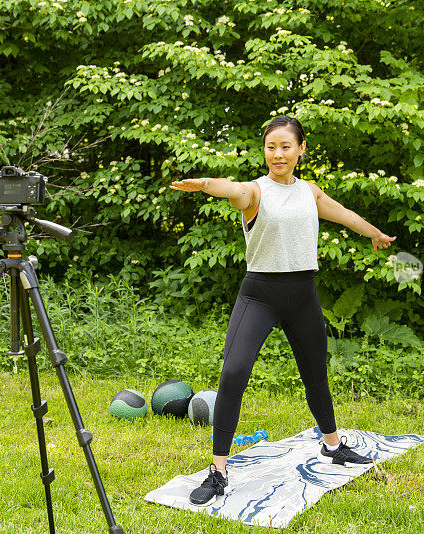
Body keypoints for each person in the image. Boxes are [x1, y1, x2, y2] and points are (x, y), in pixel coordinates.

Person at [170, 115, 397, 506]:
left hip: (303, 294)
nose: (277, 154)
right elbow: (232, 189)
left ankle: (332, 445)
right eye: (270, 146)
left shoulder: (309, 191)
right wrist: (207, 185)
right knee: (234, 371)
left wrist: (374, 233)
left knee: (315, 373)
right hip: (260, 294)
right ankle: (218, 470)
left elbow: (343, 214)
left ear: (301, 149)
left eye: (285, 146)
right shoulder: (255, 192)